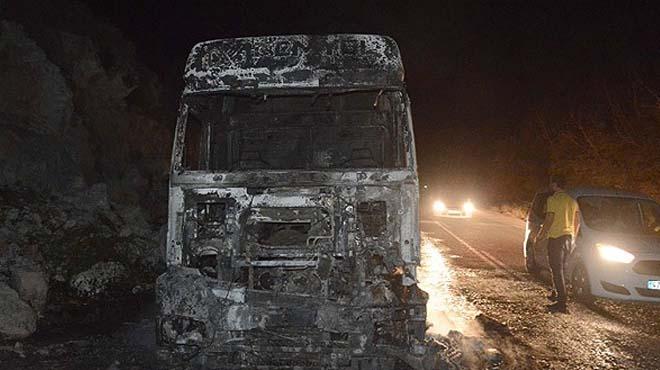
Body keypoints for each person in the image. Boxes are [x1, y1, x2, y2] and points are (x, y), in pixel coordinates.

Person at [536, 175, 579, 313]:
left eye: (551, 184)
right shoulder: (572, 201)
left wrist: (540, 236)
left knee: (556, 269)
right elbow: (577, 220)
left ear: (555, 185)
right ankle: (556, 293)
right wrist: (573, 238)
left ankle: (562, 303)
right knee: (561, 268)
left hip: (556, 238)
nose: (550, 187)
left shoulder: (553, 199)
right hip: (568, 237)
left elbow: (549, 218)